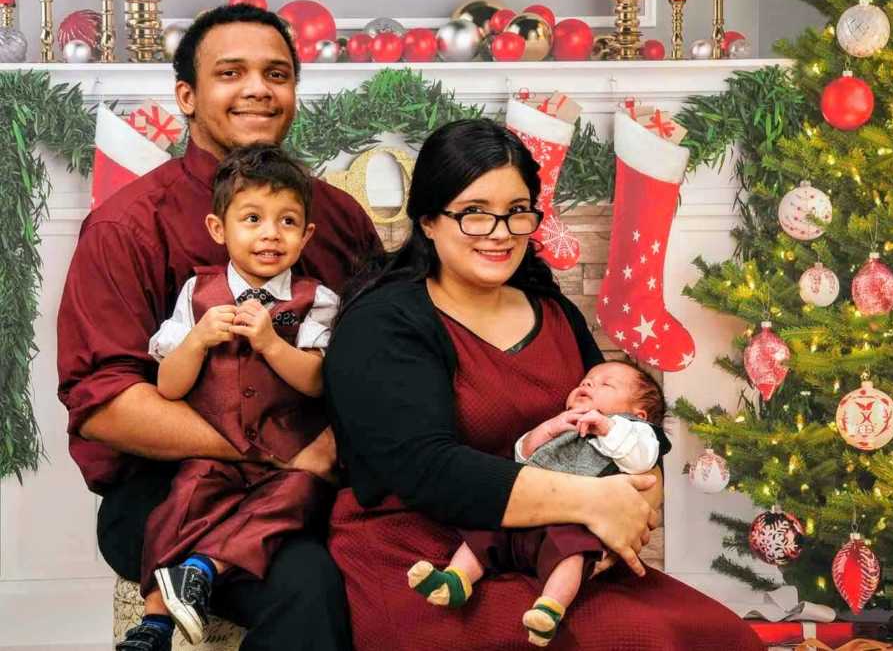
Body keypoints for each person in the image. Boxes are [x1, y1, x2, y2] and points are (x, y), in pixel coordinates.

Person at [324, 118, 764, 650]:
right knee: (638, 639)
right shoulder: (383, 322)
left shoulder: (552, 310)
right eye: (474, 214)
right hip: (430, 555)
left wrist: (639, 500)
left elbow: (629, 420)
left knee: (720, 635)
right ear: (429, 220)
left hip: (553, 546)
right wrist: (594, 503)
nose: (501, 232)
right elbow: (427, 470)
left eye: (517, 212)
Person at [57, 4, 380, 651]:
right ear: (187, 96)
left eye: (277, 73)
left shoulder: (337, 219)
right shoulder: (129, 227)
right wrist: (272, 448)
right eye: (230, 72)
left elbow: (378, 358)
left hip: (317, 472)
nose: (258, 88)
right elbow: (106, 404)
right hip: (170, 487)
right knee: (307, 581)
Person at [118, 144, 339, 648]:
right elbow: (168, 388)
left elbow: (318, 381)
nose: (269, 234)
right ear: (220, 229)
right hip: (213, 449)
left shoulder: (316, 300)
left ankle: (202, 568)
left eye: (287, 222)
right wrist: (195, 341)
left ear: (306, 235)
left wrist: (270, 344)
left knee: (298, 500)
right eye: (253, 218)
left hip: (287, 458)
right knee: (177, 507)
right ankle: (154, 622)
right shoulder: (198, 294)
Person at [407, 360, 670, 646]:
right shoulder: (565, 422)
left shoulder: (634, 432)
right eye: (586, 380)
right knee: (483, 532)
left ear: (638, 413)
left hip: (576, 524)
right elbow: (523, 455)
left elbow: (642, 460)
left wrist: (608, 427)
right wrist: (547, 429)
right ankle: (456, 580)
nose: (589, 384)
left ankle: (549, 607)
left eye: (606, 384)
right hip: (530, 510)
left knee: (573, 555)